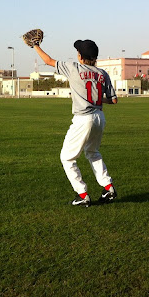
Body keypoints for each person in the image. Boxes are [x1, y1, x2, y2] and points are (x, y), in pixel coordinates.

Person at [32, 39, 118, 207]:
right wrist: (96, 99)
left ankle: (83, 194)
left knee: (67, 158)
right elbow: (113, 100)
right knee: (93, 152)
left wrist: (35, 45)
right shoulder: (103, 74)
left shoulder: (74, 68)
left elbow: (48, 61)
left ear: (80, 57)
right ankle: (109, 187)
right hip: (99, 117)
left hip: (83, 119)